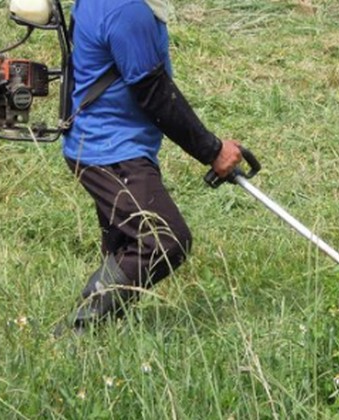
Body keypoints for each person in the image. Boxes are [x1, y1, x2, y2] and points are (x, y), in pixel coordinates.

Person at [59, 0, 243, 333]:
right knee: (164, 238)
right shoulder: (127, 9)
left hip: (107, 141)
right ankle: (78, 331)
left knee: (125, 245)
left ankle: (103, 341)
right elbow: (154, 93)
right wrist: (213, 151)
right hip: (110, 150)